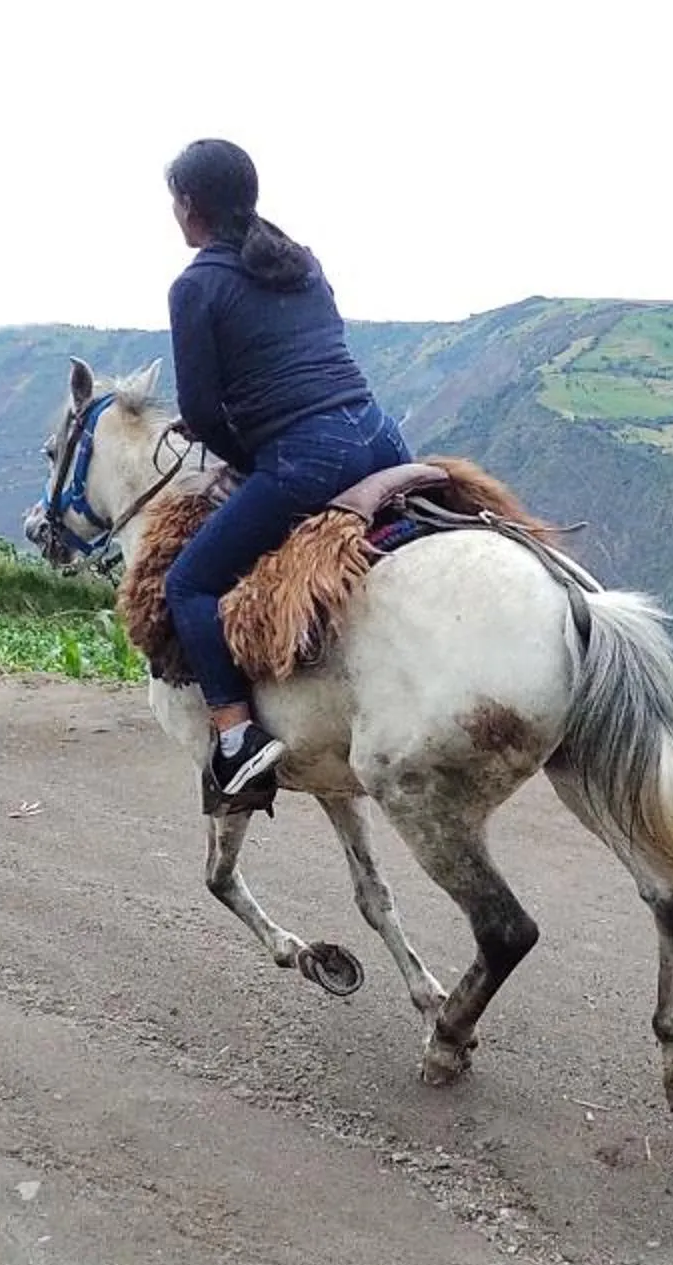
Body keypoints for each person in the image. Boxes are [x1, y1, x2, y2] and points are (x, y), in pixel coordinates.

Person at [158, 137, 411, 806]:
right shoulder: (300, 261)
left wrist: (251, 466)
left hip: (310, 457)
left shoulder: (196, 285)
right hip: (383, 439)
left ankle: (237, 736)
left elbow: (202, 411)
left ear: (189, 207)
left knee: (187, 584)